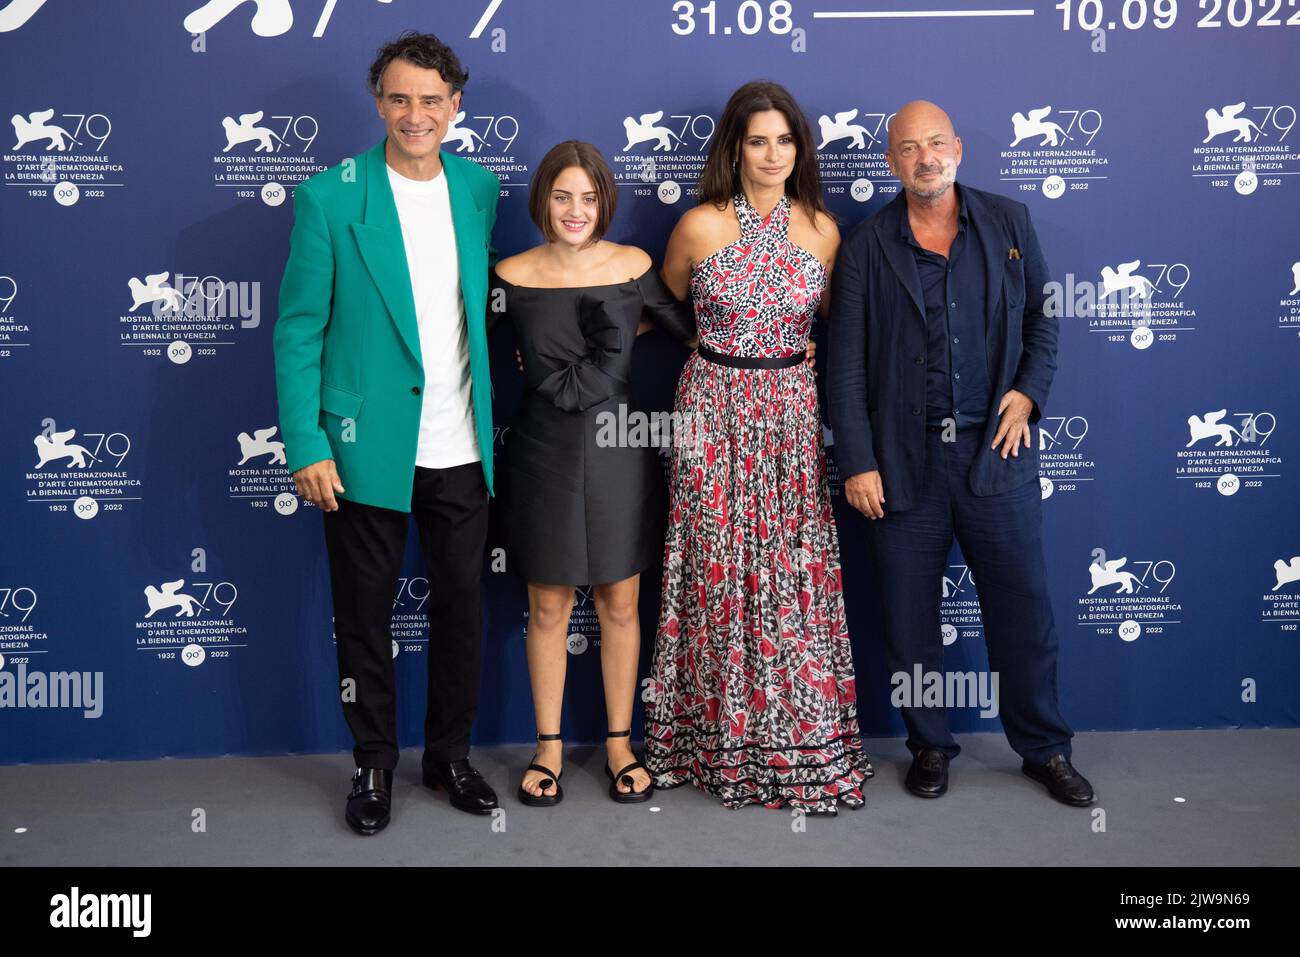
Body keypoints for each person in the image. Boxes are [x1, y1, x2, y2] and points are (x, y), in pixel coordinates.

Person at [826, 100, 1094, 806]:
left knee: (1023, 610)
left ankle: (1045, 748)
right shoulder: (865, 246)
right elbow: (846, 364)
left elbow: (1045, 316)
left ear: (959, 149)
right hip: (903, 462)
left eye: (936, 143)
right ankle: (929, 746)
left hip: (995, 453)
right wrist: (857, 459)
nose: (925, 157)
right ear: (892, 163)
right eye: (909, 148)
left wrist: (1029, 393)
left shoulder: (1010, 222)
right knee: (910, 618)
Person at [273, 32, 502, 835]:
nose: (415, 114)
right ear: (378, 103)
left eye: (431, 100)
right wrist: (305, 441)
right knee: (365, 616)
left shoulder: (479, 188)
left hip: (464, 448)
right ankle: (373, 762)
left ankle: (450, 755)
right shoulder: (330, 198)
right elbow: (299, 328)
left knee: (462, 611)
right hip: (364, 446)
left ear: (455, 108)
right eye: (400, 98)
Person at [644, 81, 873, 813]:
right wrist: (562, 346)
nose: (772, 154)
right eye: (757, 140)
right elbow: (657, 304)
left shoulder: (825, 232)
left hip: (790, 416)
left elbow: (840, 332)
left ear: (800, 148)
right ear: (734, 148)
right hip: (711, 411)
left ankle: (797, 736)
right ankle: (712, 740)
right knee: (714, 568)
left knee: (788, 571)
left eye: (785, 140)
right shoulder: (699, 226)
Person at [491, 141, 697, 806]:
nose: (575, 210)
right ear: (541, 200)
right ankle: (547, 747)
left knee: (620, 604)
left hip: (621, 450)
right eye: (561, 195)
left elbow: (694, 332)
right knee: (546, 605)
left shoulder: (634, 266)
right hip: (539, 451)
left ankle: (618, 744)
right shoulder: (508, 275)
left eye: (588, 197)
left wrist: (785, 347)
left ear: (604, 201)